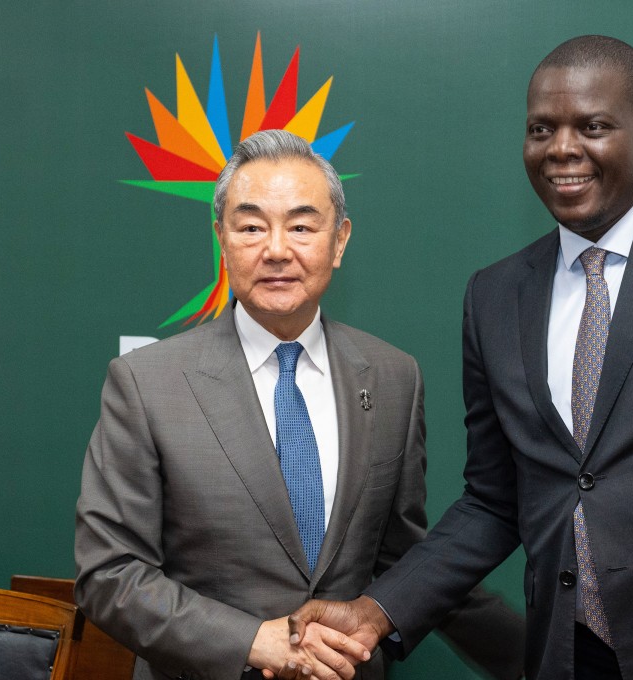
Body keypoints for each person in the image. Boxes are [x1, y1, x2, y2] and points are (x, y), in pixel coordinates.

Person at [287, 35, 633, 680]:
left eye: (592, 126)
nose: (561, 148)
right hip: (567, 653)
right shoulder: (494, 295)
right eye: (541, 129)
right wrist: (375, 612)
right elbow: (493, 501)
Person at [74, 129, 524, 680]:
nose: (277, 250)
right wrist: (251, 642)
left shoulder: (393, 377)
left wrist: (540, 655)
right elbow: (111, 575)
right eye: (251, 227)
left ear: (339, 241)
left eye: (302, 227)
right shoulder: (147, 384)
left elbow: (407, 563)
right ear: (221, 239)